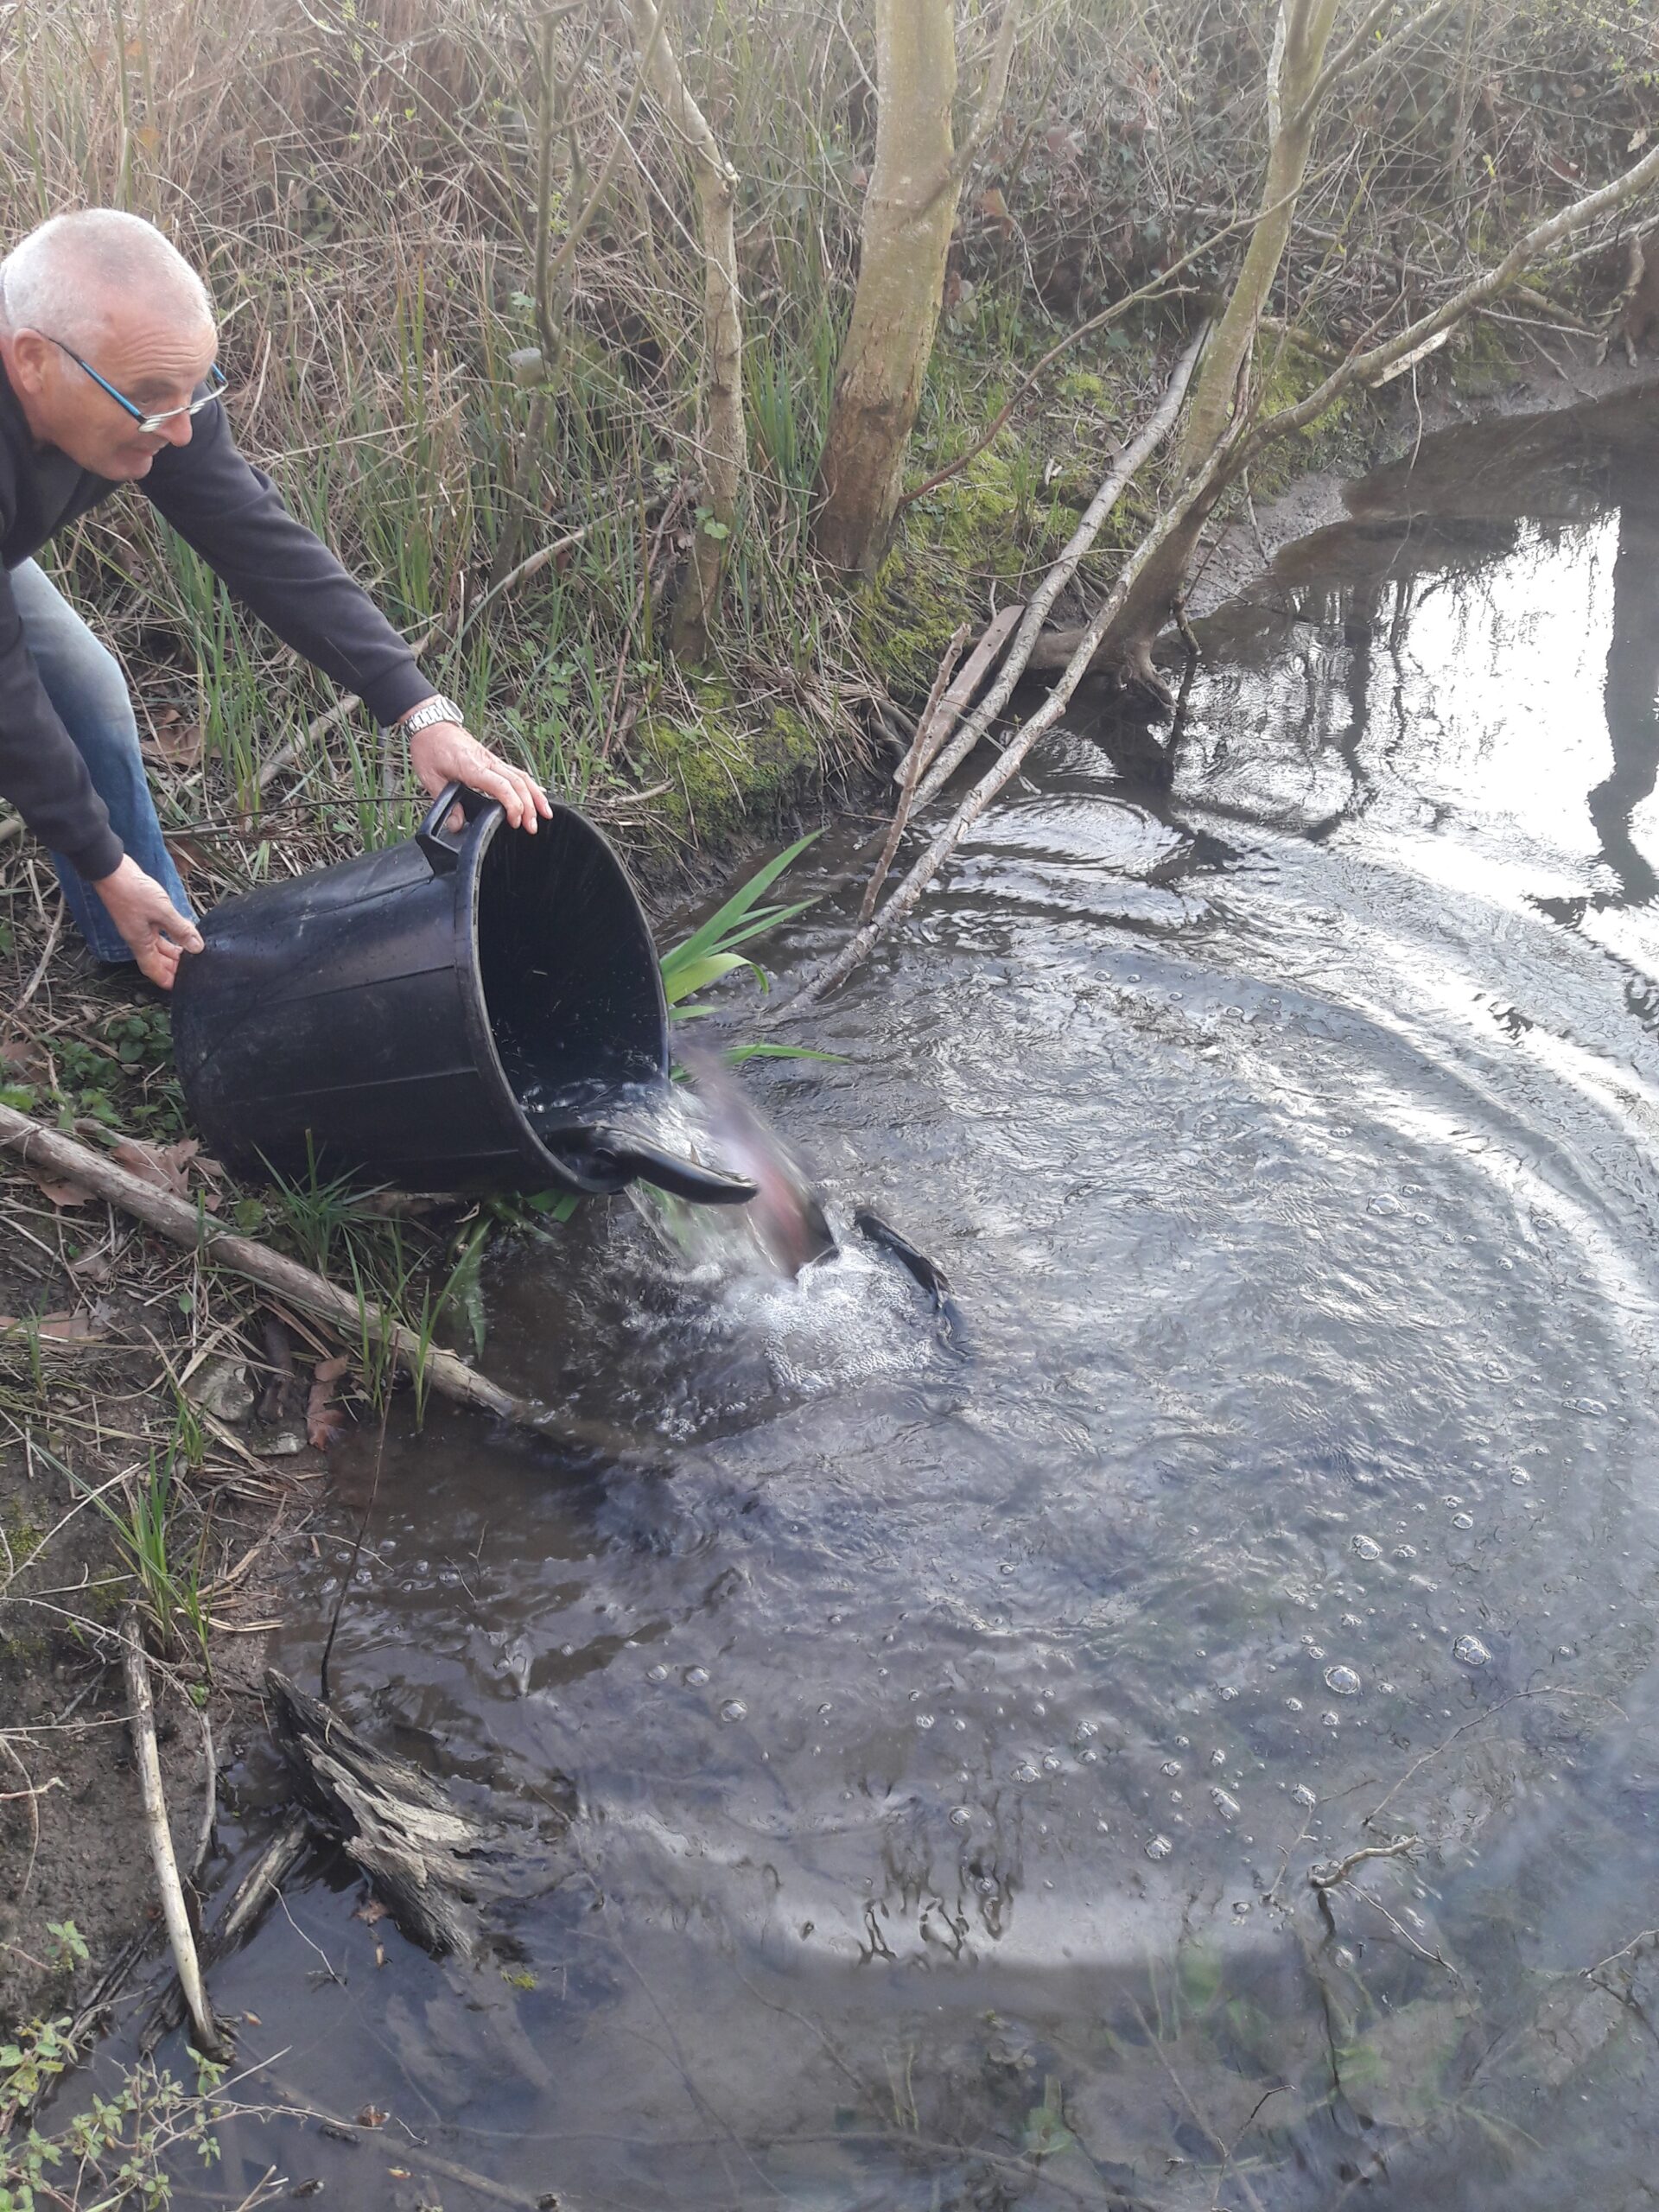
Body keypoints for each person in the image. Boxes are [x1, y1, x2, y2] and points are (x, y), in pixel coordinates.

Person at [0, 208, 551, 989]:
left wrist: (421, 711)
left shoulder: (154, 389)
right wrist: (99, 857)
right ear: (31, 362)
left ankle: (150, 955)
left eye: (195, 391)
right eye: (152, 398)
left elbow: (257, 540)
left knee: (88, 691)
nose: (181, 431)